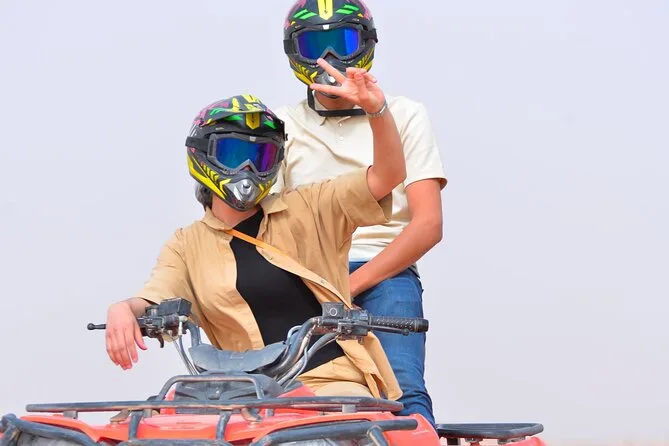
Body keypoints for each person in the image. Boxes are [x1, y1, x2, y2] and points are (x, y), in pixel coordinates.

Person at [104, 61, 409, 400]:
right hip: (242, 392)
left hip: (328, 382)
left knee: (326, 423)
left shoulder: (309, 207)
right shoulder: (186, 245)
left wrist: (376, 110)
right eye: (233, 153)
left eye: (260, 156)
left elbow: (387, 176)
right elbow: (154, 296)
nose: (247, 168)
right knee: (158, 419)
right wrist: (123, 309)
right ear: (202, 155)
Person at [273, 0, 447, 428]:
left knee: (402, 392)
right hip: (307, 278)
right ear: (295, 52)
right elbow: (268, 226)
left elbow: (428, 224)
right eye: (315, 46)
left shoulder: (404, 114)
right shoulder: (280, 125)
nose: (330, 58)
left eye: (343, 42)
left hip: (386, 271)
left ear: (366, 44)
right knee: (289, 399)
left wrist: (350, 286)